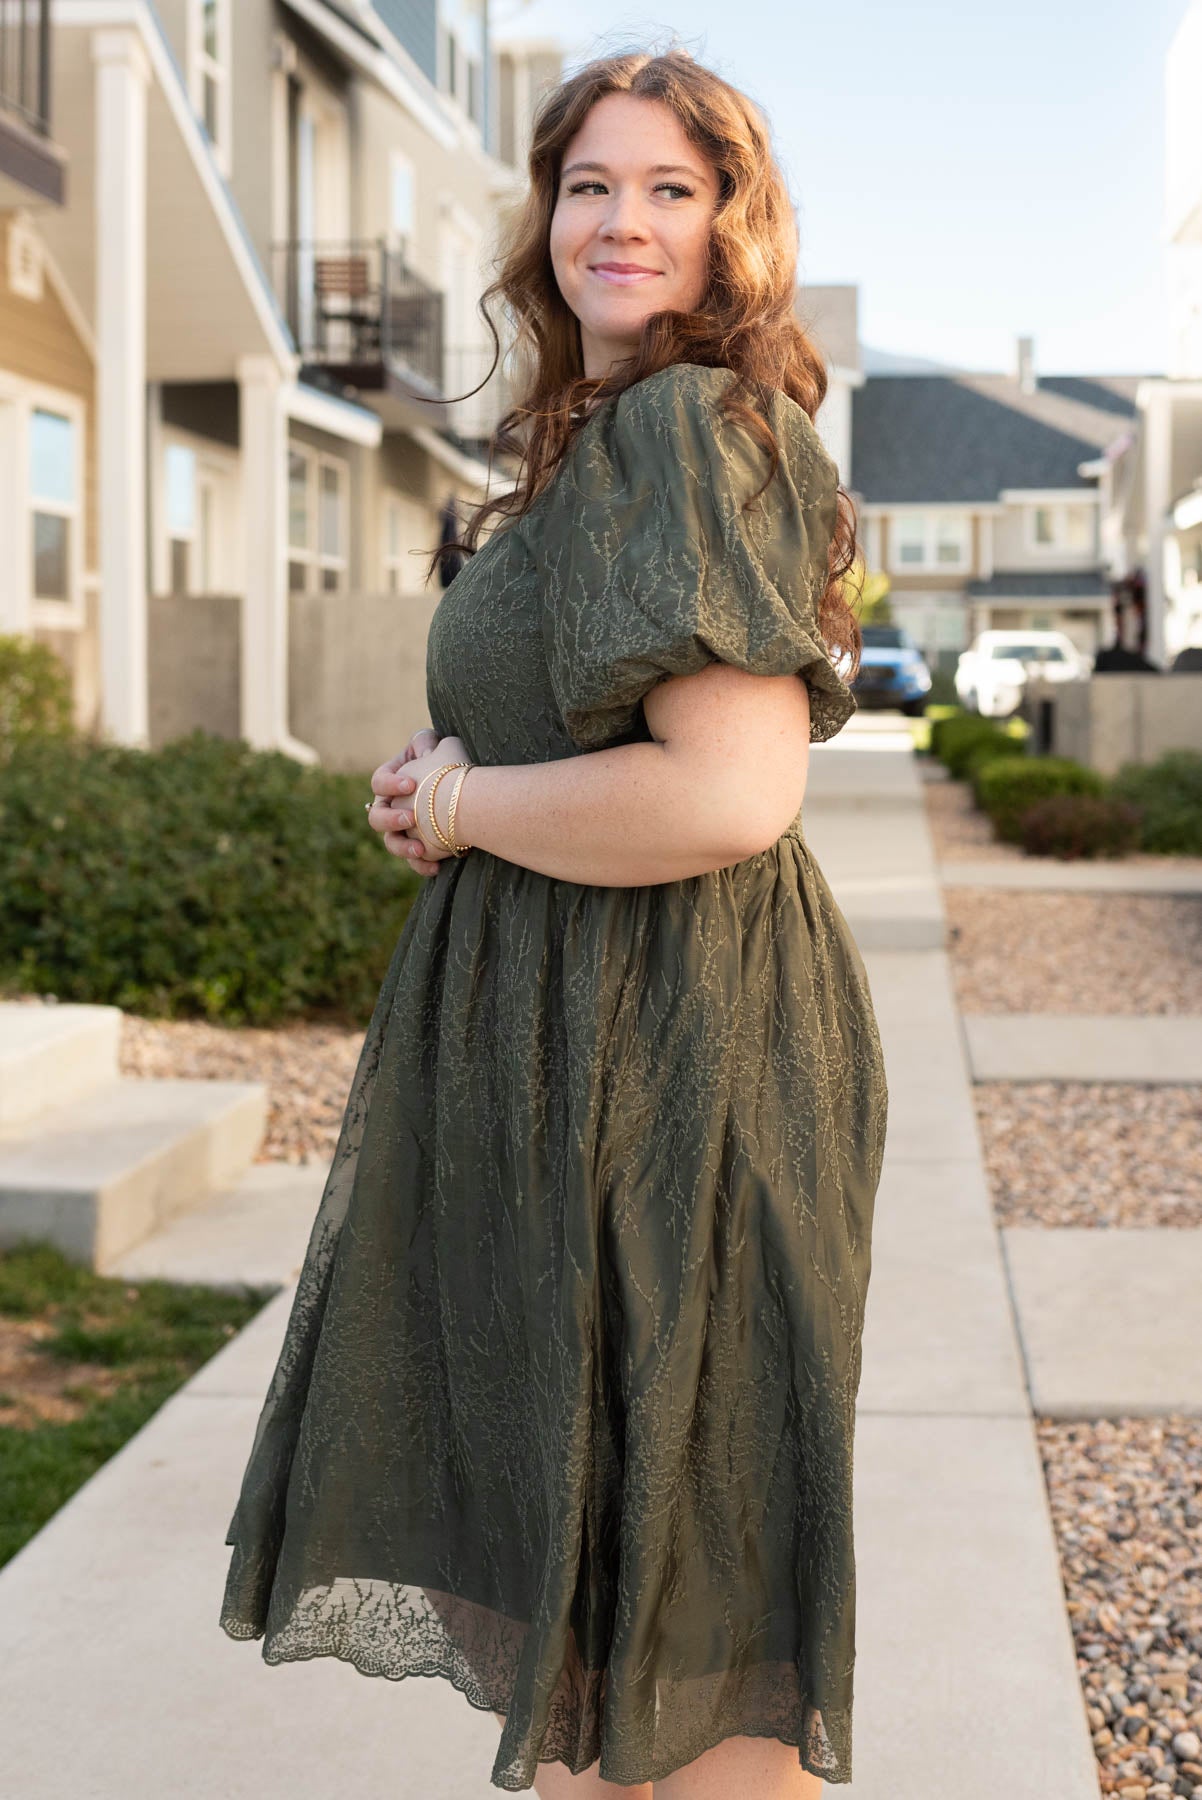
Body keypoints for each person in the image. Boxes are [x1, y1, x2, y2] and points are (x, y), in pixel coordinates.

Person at [219, 45, 888, 1800]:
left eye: (675, 189)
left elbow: (728, 795)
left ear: (733, 229)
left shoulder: (693, 424)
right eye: (591, 183)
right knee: (597, 1611)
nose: (622, 220)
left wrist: (461, 807)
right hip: (578, 1054)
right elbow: (585, 741)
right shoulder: (586, 444)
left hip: (679, 1072)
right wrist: (451, 781)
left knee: (689, 1615)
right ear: (544, 213)